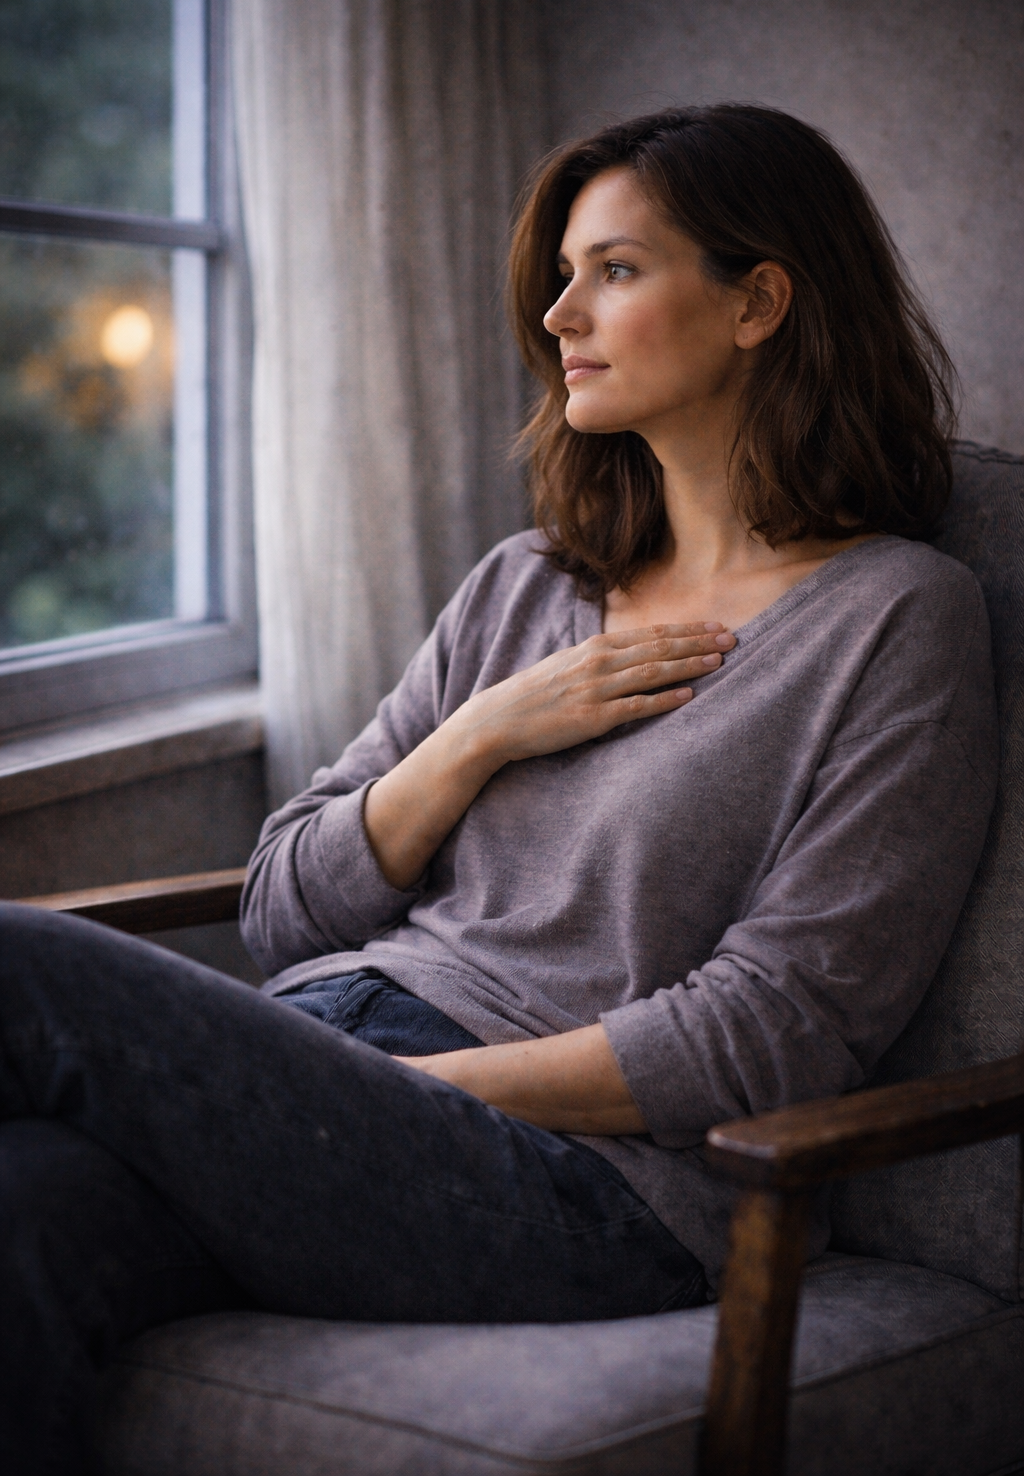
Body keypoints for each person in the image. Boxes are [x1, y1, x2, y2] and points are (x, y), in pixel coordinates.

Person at [0, 105, 998, 1475]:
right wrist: (479, 733)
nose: (557, 310)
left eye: (617, 270)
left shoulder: (897, 618)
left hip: (582, 1186)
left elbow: (780, 1030)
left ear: (761, 300)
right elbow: (287, 907)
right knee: (21, 1213)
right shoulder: (528, 584)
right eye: (564, 272)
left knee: (25, 967)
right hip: (335, 1056)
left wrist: (408, 1091)